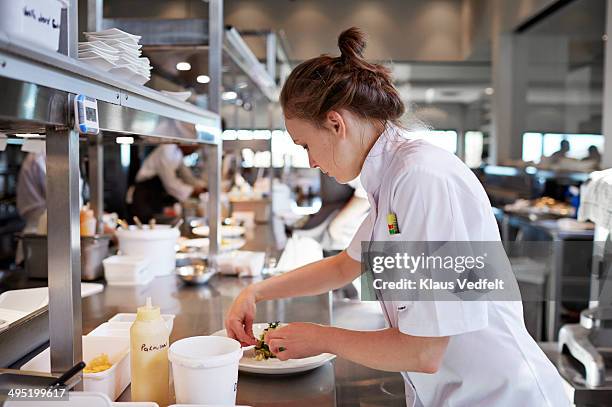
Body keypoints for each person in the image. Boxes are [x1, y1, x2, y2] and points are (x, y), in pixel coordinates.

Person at [225, 28, 569, 407]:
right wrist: (257, 291)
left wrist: (319, 337)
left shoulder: (420, 178)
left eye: (306, 144)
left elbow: (424, 352)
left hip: (499, 396)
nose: (310, 161)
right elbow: (344, 266)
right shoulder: (390, 176)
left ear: (336, 123)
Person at [130, 144, 206, 222]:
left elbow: (187, 176)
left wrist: (201, 186)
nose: (192, 152)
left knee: (157, 222)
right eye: (193, 148)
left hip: (157, 194)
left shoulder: (178, 153)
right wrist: (193, 191)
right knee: (146, 223)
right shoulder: (167, 149)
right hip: (145, 193)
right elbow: (170, 183)